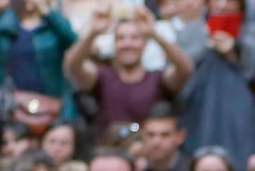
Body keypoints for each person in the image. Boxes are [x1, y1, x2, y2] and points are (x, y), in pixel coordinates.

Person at [181, 0, 255, 163]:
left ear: (240, 3)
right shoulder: (193, 31)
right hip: (200, 109)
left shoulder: (253, 32)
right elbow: (180, 75)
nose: (222, 5)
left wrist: (234, 51)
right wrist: (206, 46)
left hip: (239, 113)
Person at [66, 8, 190, 137]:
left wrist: (153, 33)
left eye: (135, 38)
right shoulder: (102, 76)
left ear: (145, 43)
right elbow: (73, 65)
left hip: (148, 150)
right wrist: (93, 33)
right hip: (108, 151)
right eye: (120, 38)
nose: (127, 44)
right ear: (114, 44)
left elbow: (185, 68)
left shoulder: (157, 78)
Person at [0, 0, 78, 127]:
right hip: (10, 107)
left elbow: (72, 40)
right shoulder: (2, 25)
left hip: (51, 105)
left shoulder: (53, 24)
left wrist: (45, 9)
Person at [138, 104, 190, 171]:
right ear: (142, 135)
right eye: (150, 134)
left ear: (180, 136)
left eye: (165, 135)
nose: (156, 142)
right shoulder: (136, 170)